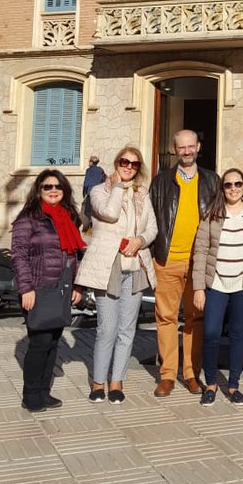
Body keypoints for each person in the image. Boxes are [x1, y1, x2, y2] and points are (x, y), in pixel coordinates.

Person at [77, 146, 158, 404]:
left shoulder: (142, 194)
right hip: (107, 267)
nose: (129, 167)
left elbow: (153, 227)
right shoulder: (99, 190)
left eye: (134, 164)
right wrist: (118, 187)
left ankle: (117, 381)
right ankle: (98, 381)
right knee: (106, 329)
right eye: (125, 162)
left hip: (134, 267)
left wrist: (140, 240)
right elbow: (109, 214)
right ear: (116, 163)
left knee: (126, 329)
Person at [192, 168, 243, 404]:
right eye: (228, 185)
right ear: (222, 188)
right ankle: (210, 384)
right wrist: (198, 287)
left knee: (239, 335)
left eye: (238, 184)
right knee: (210, 333)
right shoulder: (212, 214)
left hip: (242, 282)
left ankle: (233, 385)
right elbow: (200, 251)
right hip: (216, 283)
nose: (233, 189)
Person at [149, 130, 220, 397]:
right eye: (182, 147)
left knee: (195, 318)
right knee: (166, 318)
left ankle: (191, 373)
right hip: (167, 259)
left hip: (199, 264)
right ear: (175, 149)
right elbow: (150, 218)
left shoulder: (212, 180)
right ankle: (167, 374)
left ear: (198, 147)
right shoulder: (161, 182)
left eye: (191, 146)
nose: (187, 151)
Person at [11, 170, 84, 411]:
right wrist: (26, 288)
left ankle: (44, 391)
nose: (53, 190)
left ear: (64, 190)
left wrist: (77, 285)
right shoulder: (30, 217)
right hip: (38, 288)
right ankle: (31, 395)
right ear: (39, 190)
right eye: (47, 186)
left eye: (58, 186)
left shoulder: (69, 216)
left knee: (54, 343)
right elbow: (19, 255)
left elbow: (75, 254)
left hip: (62, 288)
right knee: (40, 343)